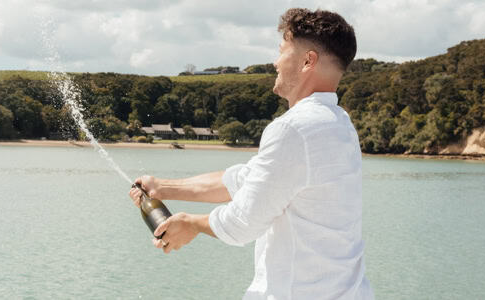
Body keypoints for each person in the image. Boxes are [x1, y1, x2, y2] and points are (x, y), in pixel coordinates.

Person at [129, 8, 373, 299]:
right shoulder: (340, 124)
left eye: (282, 50)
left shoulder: (293, 130)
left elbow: (241, 224)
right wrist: (164, 188)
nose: (275, 61)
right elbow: (247, 180)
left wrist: (189, 224)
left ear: (308, 60)